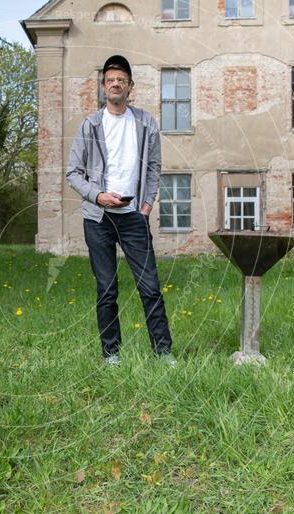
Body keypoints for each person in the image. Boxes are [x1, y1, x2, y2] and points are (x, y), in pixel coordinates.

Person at [66, 55, 177, 368]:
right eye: (110, 80)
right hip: (98, 219)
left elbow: (154, 166)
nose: (116, 84)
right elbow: (73, 172)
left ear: (130, 87)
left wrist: (147, 204)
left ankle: (163, 352)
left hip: (133, 217)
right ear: (103, 87)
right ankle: (111, 355)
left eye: (121, 80)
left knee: (150, 287)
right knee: (107, 288)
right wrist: (98, 196)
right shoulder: (90, 125)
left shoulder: (145, 123)